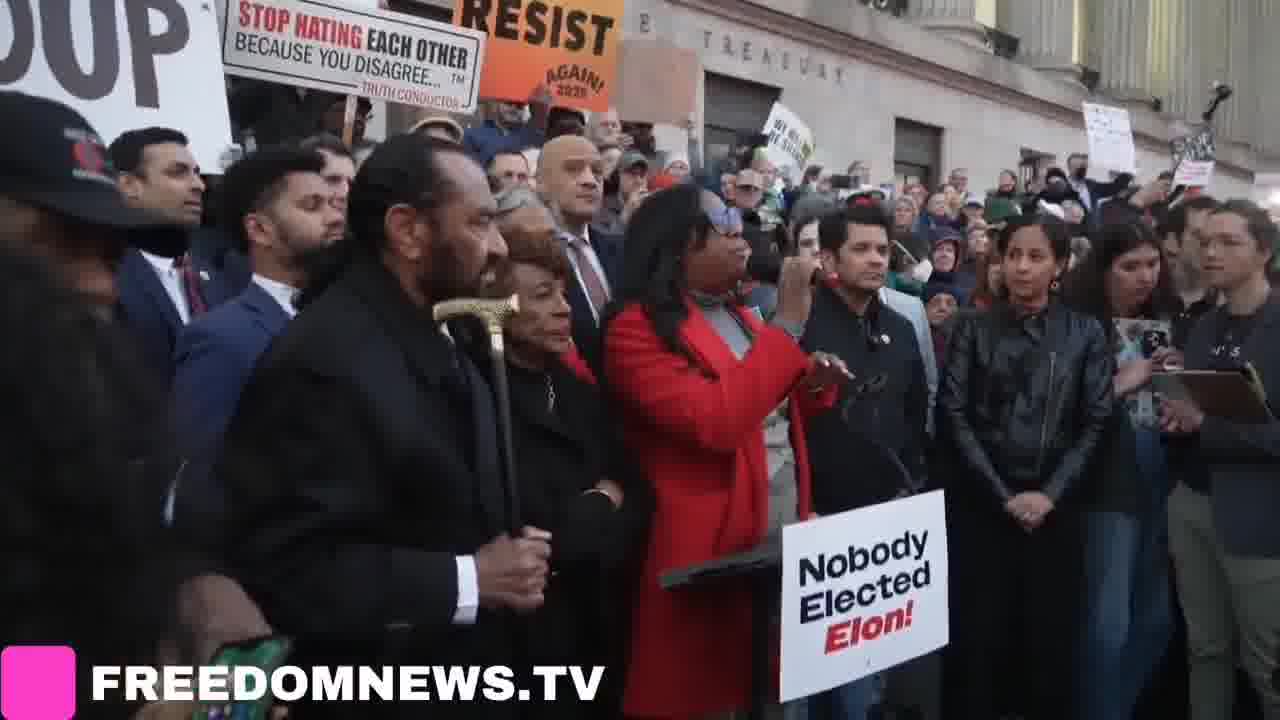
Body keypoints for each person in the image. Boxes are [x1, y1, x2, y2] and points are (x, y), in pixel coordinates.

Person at [217, 135, 550, 719]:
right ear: (408, 230)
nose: (497, 247)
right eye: (478, 224)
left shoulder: (437, 330)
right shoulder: (323, 360)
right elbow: (287, 568)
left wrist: (507, 543)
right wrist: (469, 579)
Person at [603, 183, 849, 717]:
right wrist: (785, 326)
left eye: (742, 225)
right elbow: (717, 421)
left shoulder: (739, 315)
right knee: (710, 698)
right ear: (678, 246)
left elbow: (767, 408)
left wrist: (810, 385)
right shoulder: (635, 331)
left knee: (775, 692)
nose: (743, 240)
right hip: (709, 554)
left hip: (778, 528)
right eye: (725, 228)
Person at [940, 213, 1115, 720]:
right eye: (1013, 254)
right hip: (983, 510)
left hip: (1055, 512)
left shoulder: (1084, 332)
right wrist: (1002, 496)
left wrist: (1051, 494)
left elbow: (1097, 419)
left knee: (1047, 646)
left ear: (1059, 265)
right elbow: (953, 413)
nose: (1022, 267)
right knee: (979, 644)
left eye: (1036, 256)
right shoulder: (972, 327)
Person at [483, 222, 648, 718]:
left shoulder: (576, 389)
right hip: (525, 647)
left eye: (563, 292)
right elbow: (535, 524)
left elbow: (633, 484)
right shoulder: (477, 393)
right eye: (542, 296)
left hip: (598, 625)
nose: (563, 308)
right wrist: (602, 500)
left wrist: (596, 505)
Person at [170, 147, 345, 543]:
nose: (335, 217)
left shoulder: (355, 321)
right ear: (260, 230)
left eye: (334, 204)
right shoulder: (223, 337)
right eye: (312, 205)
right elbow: (202, 485)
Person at [802, 205, 931, 720]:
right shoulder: (801, 323)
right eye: (862, 249)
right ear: (830, 257)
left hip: (886, 528)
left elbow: (917, 414)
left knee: (872, 680)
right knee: (816, 681)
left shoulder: (901, 328)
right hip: (818, 524)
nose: (876, 259)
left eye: (882, 249)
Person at [1162, 200, 1280, 719]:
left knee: (1267, 663)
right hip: (1191, 502)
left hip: (1258, 517)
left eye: (1228, 242)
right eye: (1206, 241)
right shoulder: (1205, 327)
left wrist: (1203, 422)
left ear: (1264, 250)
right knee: (1205, 651)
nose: (1211, 252)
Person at [1061, 221, 1180, 720]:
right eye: (1130, 266)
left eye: (1152, 264)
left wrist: (1183, 389)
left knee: (1156, 623)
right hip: (1105, 492)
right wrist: (1118, 383)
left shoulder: (1165, 325)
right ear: (1103, 271)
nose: (1144, 276)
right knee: (1107, 627)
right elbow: (1056, 413)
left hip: (1162, 485)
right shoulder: (1075, 327)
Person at [109, 127, 243, 383]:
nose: (199, 185)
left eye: (197, 173)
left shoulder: (217, 278)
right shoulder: (101, 278)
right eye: (178, 173)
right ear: (128, 185)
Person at [536, 135, 623, 372]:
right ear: (540, 184)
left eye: (597, 171)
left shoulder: (624, 250)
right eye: (573, 170)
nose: (590, 181)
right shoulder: (526, 259)